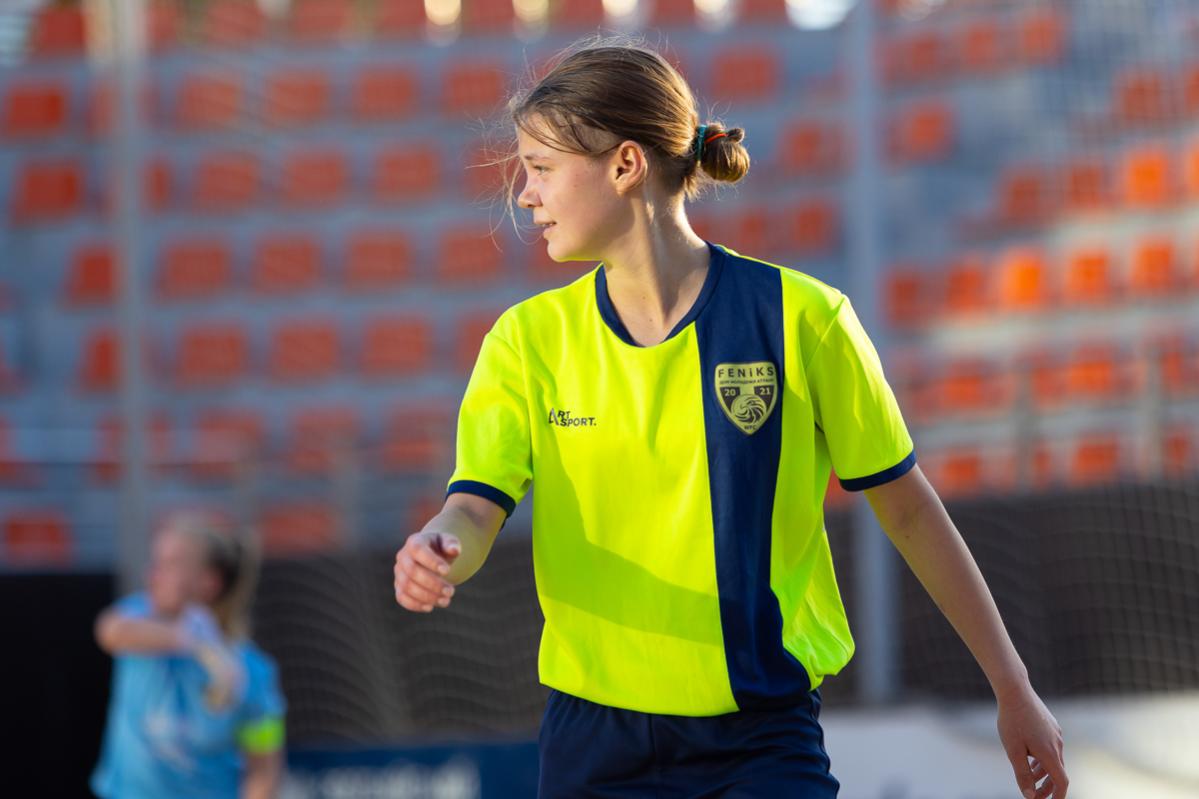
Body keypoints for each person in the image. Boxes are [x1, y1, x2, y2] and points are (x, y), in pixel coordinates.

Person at [393, 39, 1068, 799]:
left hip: (761, 742)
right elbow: (474, 507)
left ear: (624, 165)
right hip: (592, 748)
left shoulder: (804, 319)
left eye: (541, 168)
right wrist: (440, 546)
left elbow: (909, 510)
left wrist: (1012, 687)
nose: (525, 195)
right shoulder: (524, 342)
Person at [92, 509, 286, 799]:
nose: (153, 575)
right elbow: (109, 631)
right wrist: (190, 640)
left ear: (209, 582)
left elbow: (263, 769)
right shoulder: (139, 620)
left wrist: (221, 662)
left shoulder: (253, 671)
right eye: (155, 562)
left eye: (170, 564)